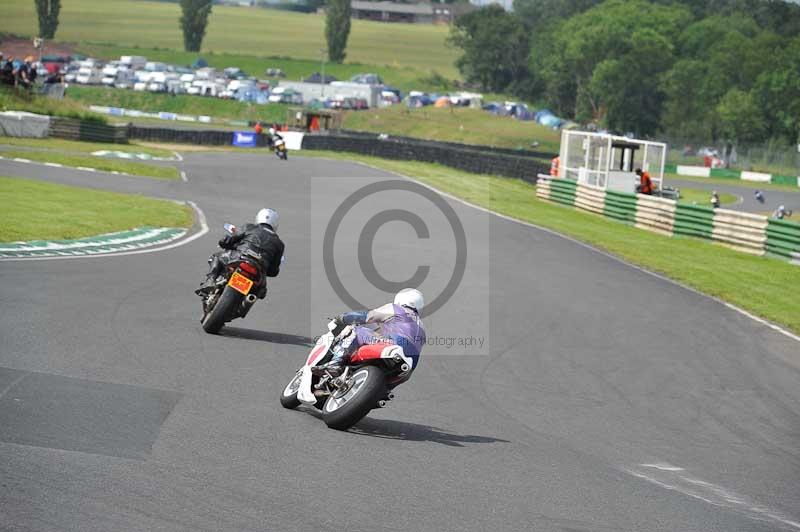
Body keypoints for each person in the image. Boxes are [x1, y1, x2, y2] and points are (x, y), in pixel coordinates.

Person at [314, 288, 426, 377]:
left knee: (356, 331)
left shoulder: (396, 309)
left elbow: (367, 317)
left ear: (400, 299)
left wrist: (341, 318)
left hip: (394, 345)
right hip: (409, 365)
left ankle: (335, 363)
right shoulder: (421, 326)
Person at [196, 208, 285, 298]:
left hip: (240, 258)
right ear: (275, 223)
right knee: (261, 291)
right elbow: (273, 271)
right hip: (259, 269)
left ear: (259, 218)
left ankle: (210, 281)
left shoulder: (249, 227)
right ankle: (246, 303)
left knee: (216, 257)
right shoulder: (279, 244)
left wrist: (224, 242)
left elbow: (228, 240)